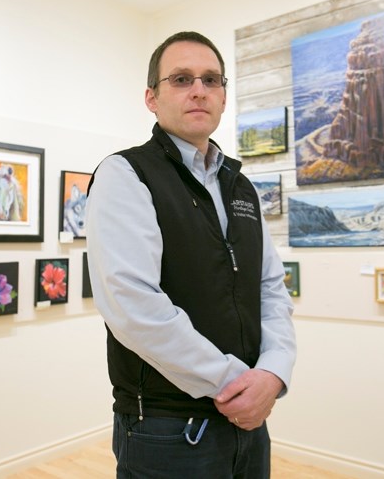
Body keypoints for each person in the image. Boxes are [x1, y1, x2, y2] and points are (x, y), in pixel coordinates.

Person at [86, 31, 297, 478]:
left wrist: (274, 374)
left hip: (247, 423)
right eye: (181, 79)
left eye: (211, 80)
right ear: (152, 97)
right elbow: (132, 304)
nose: (199, 89)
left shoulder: (239, 186)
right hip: (168, 428)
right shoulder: (126, 174)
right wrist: (234, 382)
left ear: (223, 96)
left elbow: (270, 289)